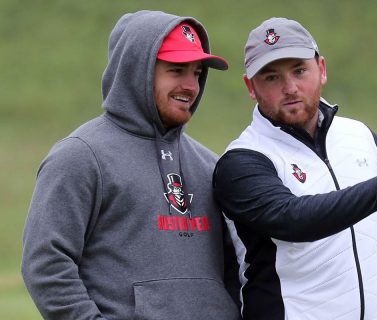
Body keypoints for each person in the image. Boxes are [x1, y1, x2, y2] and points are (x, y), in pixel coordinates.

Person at [212, 17, 377, 320]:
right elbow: (294, 220)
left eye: (299, 70)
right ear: (250, 87)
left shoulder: (360, 136)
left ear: (321, 69)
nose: (290, 87)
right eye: (271, 77)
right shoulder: (241, 160)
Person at [22, 10, 240, 320]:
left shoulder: (210, 165)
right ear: (137, 70)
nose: (191, 85)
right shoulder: (80, 157)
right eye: (177, 70)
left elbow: (235, 269)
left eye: (197, 72)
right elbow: (46, 264)